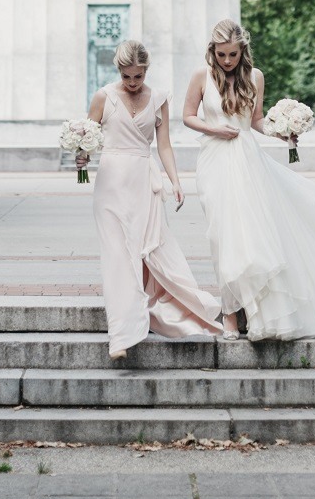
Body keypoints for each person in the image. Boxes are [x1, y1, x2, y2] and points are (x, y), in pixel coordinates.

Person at [183, 19, 315, 342]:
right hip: (214, 160)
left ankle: (253, 309)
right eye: (222, 55)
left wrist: (283, 132)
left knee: (254, 236)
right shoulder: (202, 76)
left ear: (243, 51)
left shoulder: (255, 77)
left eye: (233, 55)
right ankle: (229, 311)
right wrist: (214, 129)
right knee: (223, 235)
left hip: (248, 159)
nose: (228, 61)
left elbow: (255, 121)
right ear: (212, 51)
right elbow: (187, 116)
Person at [77, 39, 222, 361]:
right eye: (127, 76)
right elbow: (88, 139)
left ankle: (161, 312)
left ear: (146, 71)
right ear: (119, 71)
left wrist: (175, 180)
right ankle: (121, 336)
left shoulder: (158, 99)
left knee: (150, 252)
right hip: (111, 182)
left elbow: (165, 145)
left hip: (144, 179)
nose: (132, 83)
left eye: (138, 76)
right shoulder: (104, 96)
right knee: (117, 256)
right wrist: (81, 157)